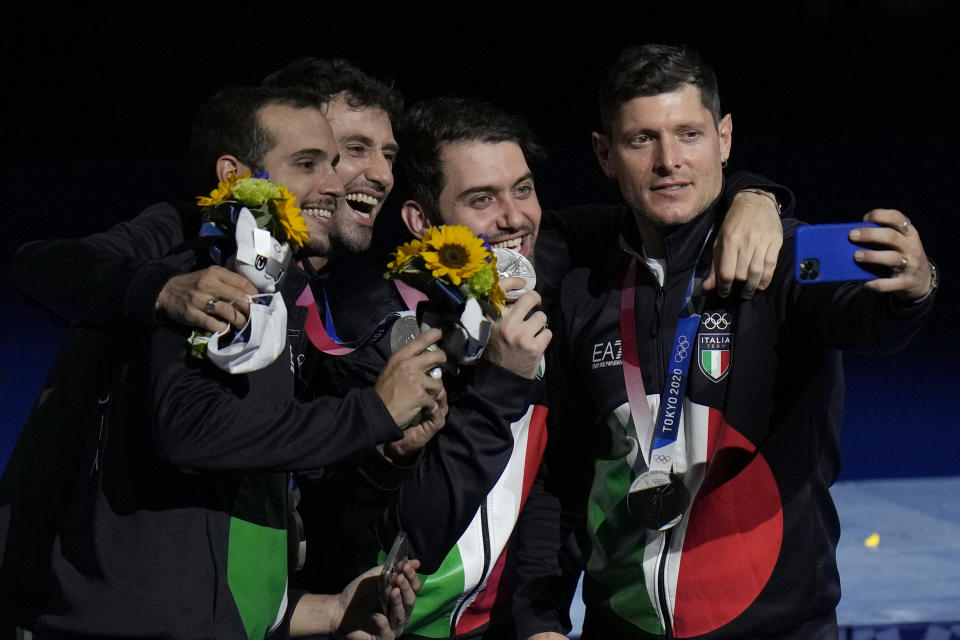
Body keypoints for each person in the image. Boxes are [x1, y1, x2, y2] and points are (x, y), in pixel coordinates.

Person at [307, 95, 790, 640]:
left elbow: (666, 206)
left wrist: (756, 197)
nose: (514, 218)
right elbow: (394, 542)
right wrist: (499, 385)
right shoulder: (364, 342)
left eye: (523, 189)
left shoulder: (549, 262)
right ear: (422, 220)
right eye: (481, 199)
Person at [536, 44, 937, 640]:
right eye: (642, 139)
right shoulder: (581, 289)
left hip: (778, 628)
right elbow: (560, 479)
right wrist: (540, 618)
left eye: (689, 134)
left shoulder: (780, 257)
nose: (669, 160)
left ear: (724, 138)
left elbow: (868, 317)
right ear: (604, 154)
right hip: (616, 626)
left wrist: (913, 288)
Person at [1, 85, 431, 639]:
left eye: (384, 155)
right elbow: (192, 436)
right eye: (327, 157)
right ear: (237, 173)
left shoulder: (292, 292)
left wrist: (324, 608)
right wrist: (161, 288)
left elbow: (219, 538)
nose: (348, 179)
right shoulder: (202, 258)